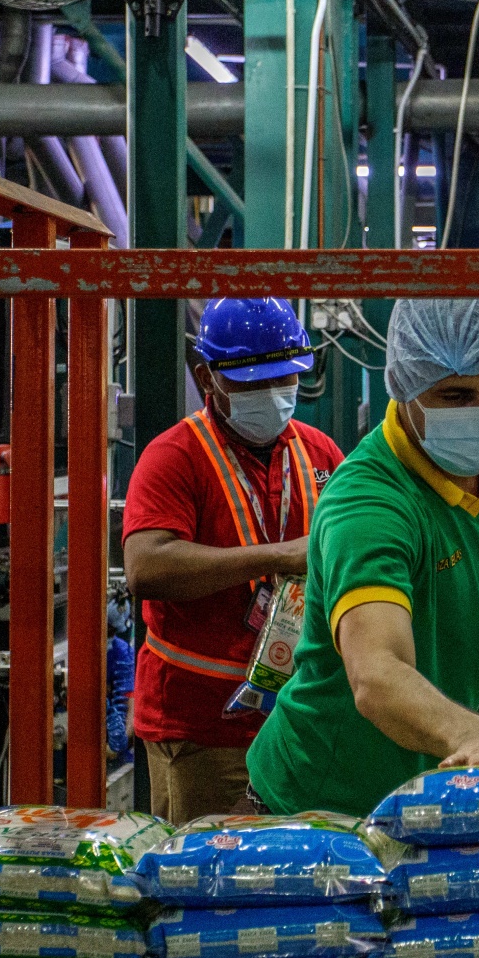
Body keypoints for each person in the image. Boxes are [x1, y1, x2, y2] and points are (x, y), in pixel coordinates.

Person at [247, 298, 479, 817]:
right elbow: (376, 674)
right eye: (455, 395)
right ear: (405, 388)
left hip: (424, 788)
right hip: (323, 801)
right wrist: (475, 732)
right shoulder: (368, 504)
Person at [120, 297, 344, 822]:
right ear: (207, 378)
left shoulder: (320, 455)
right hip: (204, 727)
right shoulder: (175, 457)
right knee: (207, 878)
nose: (272, 394)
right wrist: (276, 556)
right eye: (250, 382)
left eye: (284, 379)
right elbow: (146, 567)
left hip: (299, 722)